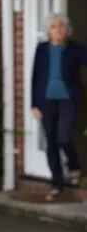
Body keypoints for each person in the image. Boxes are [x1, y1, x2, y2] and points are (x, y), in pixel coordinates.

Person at [31, 13, 87, 201]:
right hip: (46, 101)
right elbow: (35, 76)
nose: (58, 30)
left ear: (67, 29)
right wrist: (34, 104)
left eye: (62, 26)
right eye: (54, 26)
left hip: (69, 99)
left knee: (64, 137)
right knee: (51, 143)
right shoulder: (42, 49)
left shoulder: (75, 49)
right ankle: (57, 183)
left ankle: (74, 166)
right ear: (49, 30)